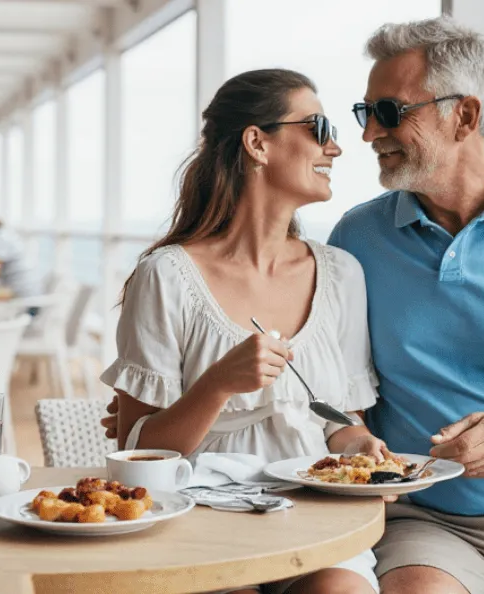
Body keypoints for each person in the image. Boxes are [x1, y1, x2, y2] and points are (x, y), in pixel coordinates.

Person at [109, 17, 484, 594]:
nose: (366, 134)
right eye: (359, 115)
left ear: (466, 115)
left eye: (388, 113)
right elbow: (144, 438)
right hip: (428, 526)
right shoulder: (358, 242)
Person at [103, 68, 384, 594]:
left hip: (315, 520)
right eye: (319, 128)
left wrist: (360, 443)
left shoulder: (343, 273)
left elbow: (341, 421)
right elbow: (134, 453)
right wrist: (218, 384)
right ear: (258, 142)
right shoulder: (166, 275)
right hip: (200, 520)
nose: (337, 149)